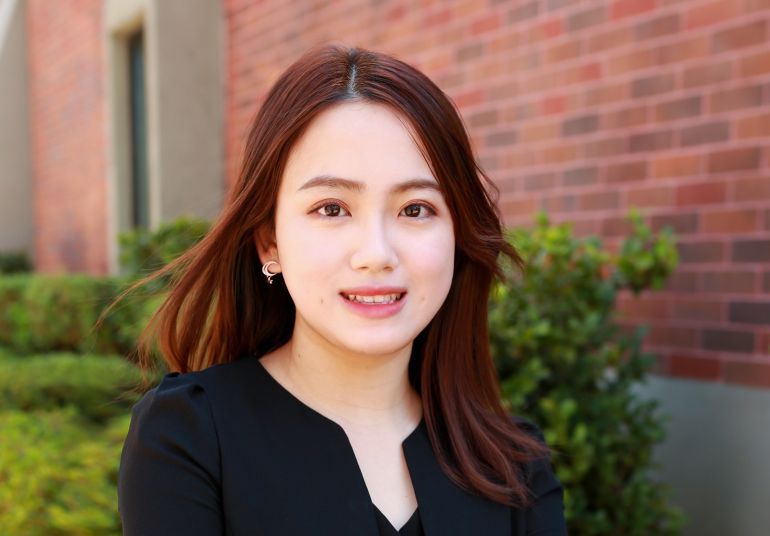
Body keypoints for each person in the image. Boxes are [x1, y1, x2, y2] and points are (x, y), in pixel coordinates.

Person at [117, 43, 567, 536]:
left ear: (458, 237)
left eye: (415, 209)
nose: (376, 253)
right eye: (331, 208)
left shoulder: (515, 466)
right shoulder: (189, 440)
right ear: (270, 241)